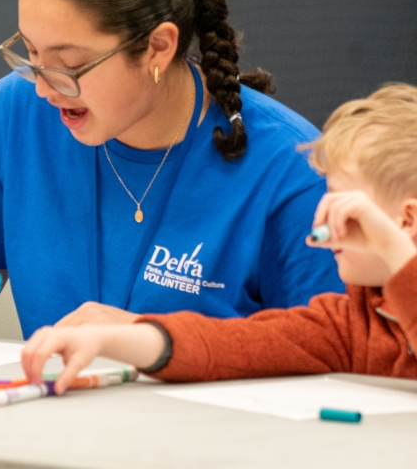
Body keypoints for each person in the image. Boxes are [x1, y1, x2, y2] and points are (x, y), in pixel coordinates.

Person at [0, 0, 343, 339]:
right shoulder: (16, 112)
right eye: (30, 54)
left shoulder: (293, 171)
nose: (43, 88)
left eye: (69, 65)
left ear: (157, 48)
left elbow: (333, 349)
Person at [21, 84, 417, 392]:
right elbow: (231, 343)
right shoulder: (347, 321)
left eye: (345, 208)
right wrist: (111, 339)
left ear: (407, 219)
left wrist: (393, 247)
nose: (323, 218)